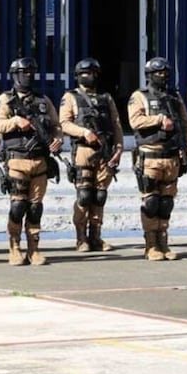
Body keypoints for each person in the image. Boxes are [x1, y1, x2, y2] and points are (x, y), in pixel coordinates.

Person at [0, 57, 63, 266]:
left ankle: (34, 248)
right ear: (15, 75)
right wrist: (15, 121)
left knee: (35, 207)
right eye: (24, 71)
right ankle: (14, 247)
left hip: (40, 161)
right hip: (17, 160)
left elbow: (57, 126)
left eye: (32, 71)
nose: (29, 75)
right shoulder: (5, 100)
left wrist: (57, 141)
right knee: (18, 206)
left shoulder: (43, 100)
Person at [128, 57, 187, 262]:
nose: (162, 76)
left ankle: (163, 241)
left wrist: (186, 146)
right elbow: (135, 120)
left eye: (165, 73)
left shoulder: (174, 96)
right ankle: (151, 244)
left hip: (171, 155)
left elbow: (185, 123)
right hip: (150, 155)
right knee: (151, 201)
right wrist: (158, 120)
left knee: (166, 202)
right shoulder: (140, 96)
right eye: (158, 73)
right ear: (149, 75)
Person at [59, 58, 124, 253]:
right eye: (86, 73)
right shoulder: (71, 97)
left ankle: (96, 236)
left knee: (100, 196)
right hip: (84, 151)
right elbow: (64, 123)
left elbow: (116, 124)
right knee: (85, 195)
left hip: (105, 151)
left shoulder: (106, 97)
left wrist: (119, 148)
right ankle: (81, 238)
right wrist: (83, 132)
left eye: (93, 73)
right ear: (78, 76)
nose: (90, 76)